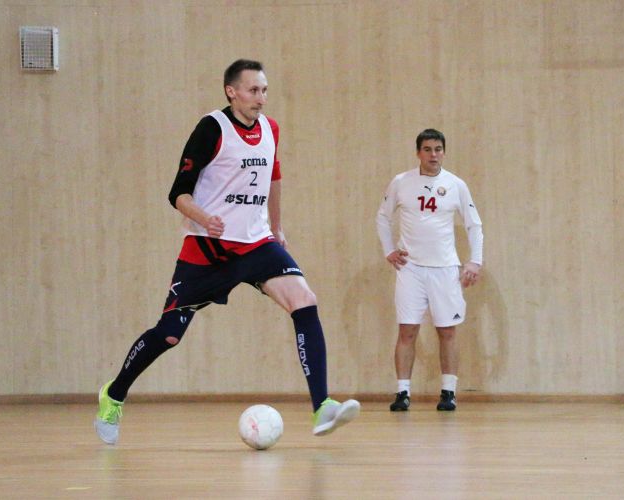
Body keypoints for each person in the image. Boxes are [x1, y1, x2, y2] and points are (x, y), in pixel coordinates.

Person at [94, 59, 360, 445]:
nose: (261, 98)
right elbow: (177, 193)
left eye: (264, 90)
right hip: (208, 249)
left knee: (304, 301)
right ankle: (114, 394)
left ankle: (322, 406)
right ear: (231, 92)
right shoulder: (211, 129)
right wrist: (205, 218)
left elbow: (273, 177)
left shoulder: (270, 129)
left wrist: (277, 227)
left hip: (257, 244)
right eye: (253, 90)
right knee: (169, 335)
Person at [375, 129, 484, 411]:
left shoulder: (456, 185)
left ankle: (448, 392)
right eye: (427, 149)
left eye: (438, 149)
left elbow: (474, 224)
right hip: (411, 269)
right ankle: (403, 393)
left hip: (445, 269)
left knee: (447, 331)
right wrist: (389, 250)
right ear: (418, 153)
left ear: (444, 152)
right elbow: (383, 217)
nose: (433, 155)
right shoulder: (401, 182)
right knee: (407, 331)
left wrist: (475, 261)